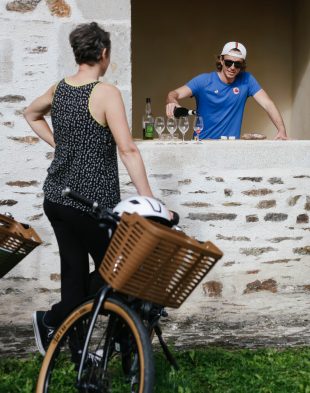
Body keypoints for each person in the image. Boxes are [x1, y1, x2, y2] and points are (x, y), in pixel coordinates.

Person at [24, 22, 155, 355]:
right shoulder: (105, 92)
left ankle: (70, 344)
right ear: (104, 53)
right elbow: (128, 149)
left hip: (56, 198)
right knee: (120, 272)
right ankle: (60, 320)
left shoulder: (60, 89)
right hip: (88, 204)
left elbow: (30, 113)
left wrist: (61, 146)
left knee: (74, 278)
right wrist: (150, 201)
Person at [166, 41, 288, 140]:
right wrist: (172, 101)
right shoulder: (204, 81)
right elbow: (174, 94)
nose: (232, 67)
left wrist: (281, 130)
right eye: (229, 62)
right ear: (221, 60)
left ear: (242, 65)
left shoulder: (247, 80)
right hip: (202, 146)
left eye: (237, 64)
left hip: (230, 148)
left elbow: (268, 104)